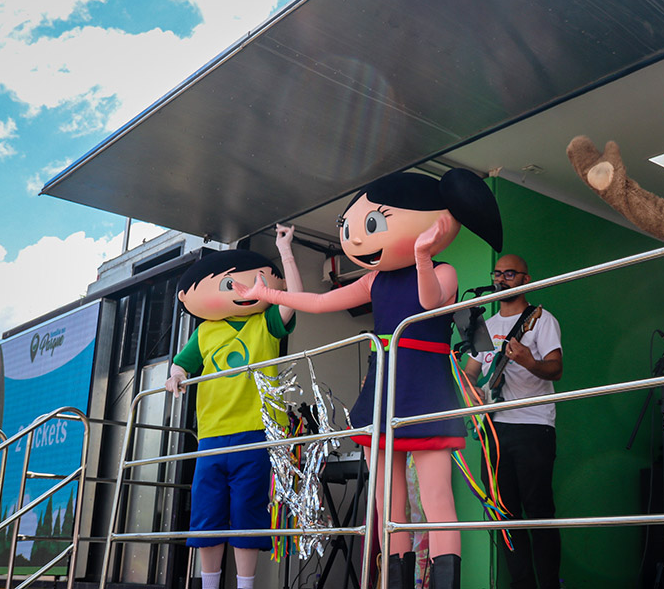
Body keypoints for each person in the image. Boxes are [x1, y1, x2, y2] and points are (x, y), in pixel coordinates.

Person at [234, 169, 503, 589]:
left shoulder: (444, 271)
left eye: (372, 224)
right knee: (386, 501)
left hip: (426, 391)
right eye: (350, 227)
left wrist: (422, 255)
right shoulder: (374, 279)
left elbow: (428, 302)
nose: (356, 237)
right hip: (383, 389)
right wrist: (268, 294)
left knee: (437, 498)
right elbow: (320, 302)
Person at [165, 224, 302, 589]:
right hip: (211, 436)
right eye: (229, 284)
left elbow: (293, 299)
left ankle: (245, 585)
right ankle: (209, 585)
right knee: (207, 515)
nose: (240, 290)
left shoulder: (265, 323)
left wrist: (285, 251)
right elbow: (182, 363)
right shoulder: (205, 331)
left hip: (256, 433)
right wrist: (176, 375)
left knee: (247, 512)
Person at [463, 254, 563, 589]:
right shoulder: (485, 327)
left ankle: (549, 584)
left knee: (539, 512)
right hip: (493, 428)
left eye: (509, 274)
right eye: (497, 273)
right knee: (503, 514)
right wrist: (471, 392)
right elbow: (470, 374)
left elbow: (556, 369)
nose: (501, 279)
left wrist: (529, 361)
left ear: (525, 279)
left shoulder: (540, 319)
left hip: (533, 426)